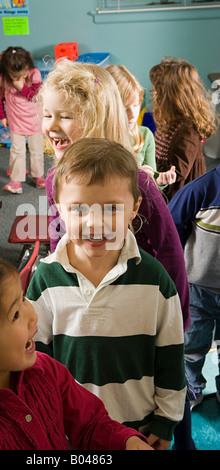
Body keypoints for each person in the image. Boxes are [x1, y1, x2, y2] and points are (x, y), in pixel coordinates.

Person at [27, 138, 186, 450]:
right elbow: (36, 362)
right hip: (71, 429)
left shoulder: (155, 280)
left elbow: (170, 356)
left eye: (112, 208)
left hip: (139, 428)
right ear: (59, 208)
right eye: (79, 209)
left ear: (134, 207)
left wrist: (167, 421)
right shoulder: (46, 278)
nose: (95, 223)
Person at [0, 252, 152, 451]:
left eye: (23, 299)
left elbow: (90, 423)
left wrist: (127, 441)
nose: (33, 316)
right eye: (15, 315)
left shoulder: (44, 368)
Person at [40, 59, 190, 330]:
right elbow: (57, 240)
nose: (51, 126)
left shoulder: (138, 182)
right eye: (47, 115)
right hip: (85, 306)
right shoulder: (54, 180)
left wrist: (176, 317)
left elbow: (170, 252)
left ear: (97, 118)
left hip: (137, 305)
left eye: (65, 116)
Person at [169, 164, 220, 409]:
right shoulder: (203, 189)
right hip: (198, 288)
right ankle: (193, 391)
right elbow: (172, 226)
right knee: (192, 345)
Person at [150, 57, 217, 202]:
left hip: (180, 195)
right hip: (164, 186)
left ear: (171, 97)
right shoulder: (169, 120)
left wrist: (151, 169)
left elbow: (179, 172)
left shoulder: (188, 130)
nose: (153, 93)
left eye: (158, 90)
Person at [105, 64, 176, 188]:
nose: (133, 115)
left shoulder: (145, 135)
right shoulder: (96, 137)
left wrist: (160, 180)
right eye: (124, 108)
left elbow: (153, 184)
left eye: (136, 105)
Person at [0, 46, 45, 194]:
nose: (17, 79)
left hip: (34, 118)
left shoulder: (34, 73)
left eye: (21, 76)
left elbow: (36, 96)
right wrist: (1, 116)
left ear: (28, 67)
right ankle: (16, 181)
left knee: (36, 149)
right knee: (17, 150)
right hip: (15, 119)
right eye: (14, 77)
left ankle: (38, 176)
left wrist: (21, 87)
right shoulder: (0, 76)